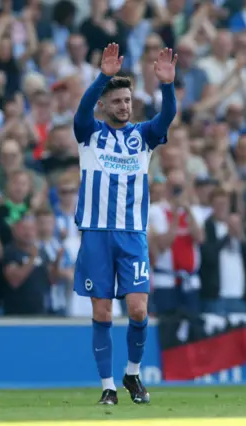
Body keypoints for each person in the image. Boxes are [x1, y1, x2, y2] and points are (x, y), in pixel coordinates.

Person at [72, 43, 177, 405]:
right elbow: (83, 109)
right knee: (102, 312)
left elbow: (168, 117)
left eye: (128, 100)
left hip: (132, 235)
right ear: (105, 105)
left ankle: (131, 373)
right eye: (116, 101)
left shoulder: (144, 136)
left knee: (138, 309)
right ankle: (107, 386)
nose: (124, 106)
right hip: (96, 235)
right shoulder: (89, 133)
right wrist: (101, 76)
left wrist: (167, 85)